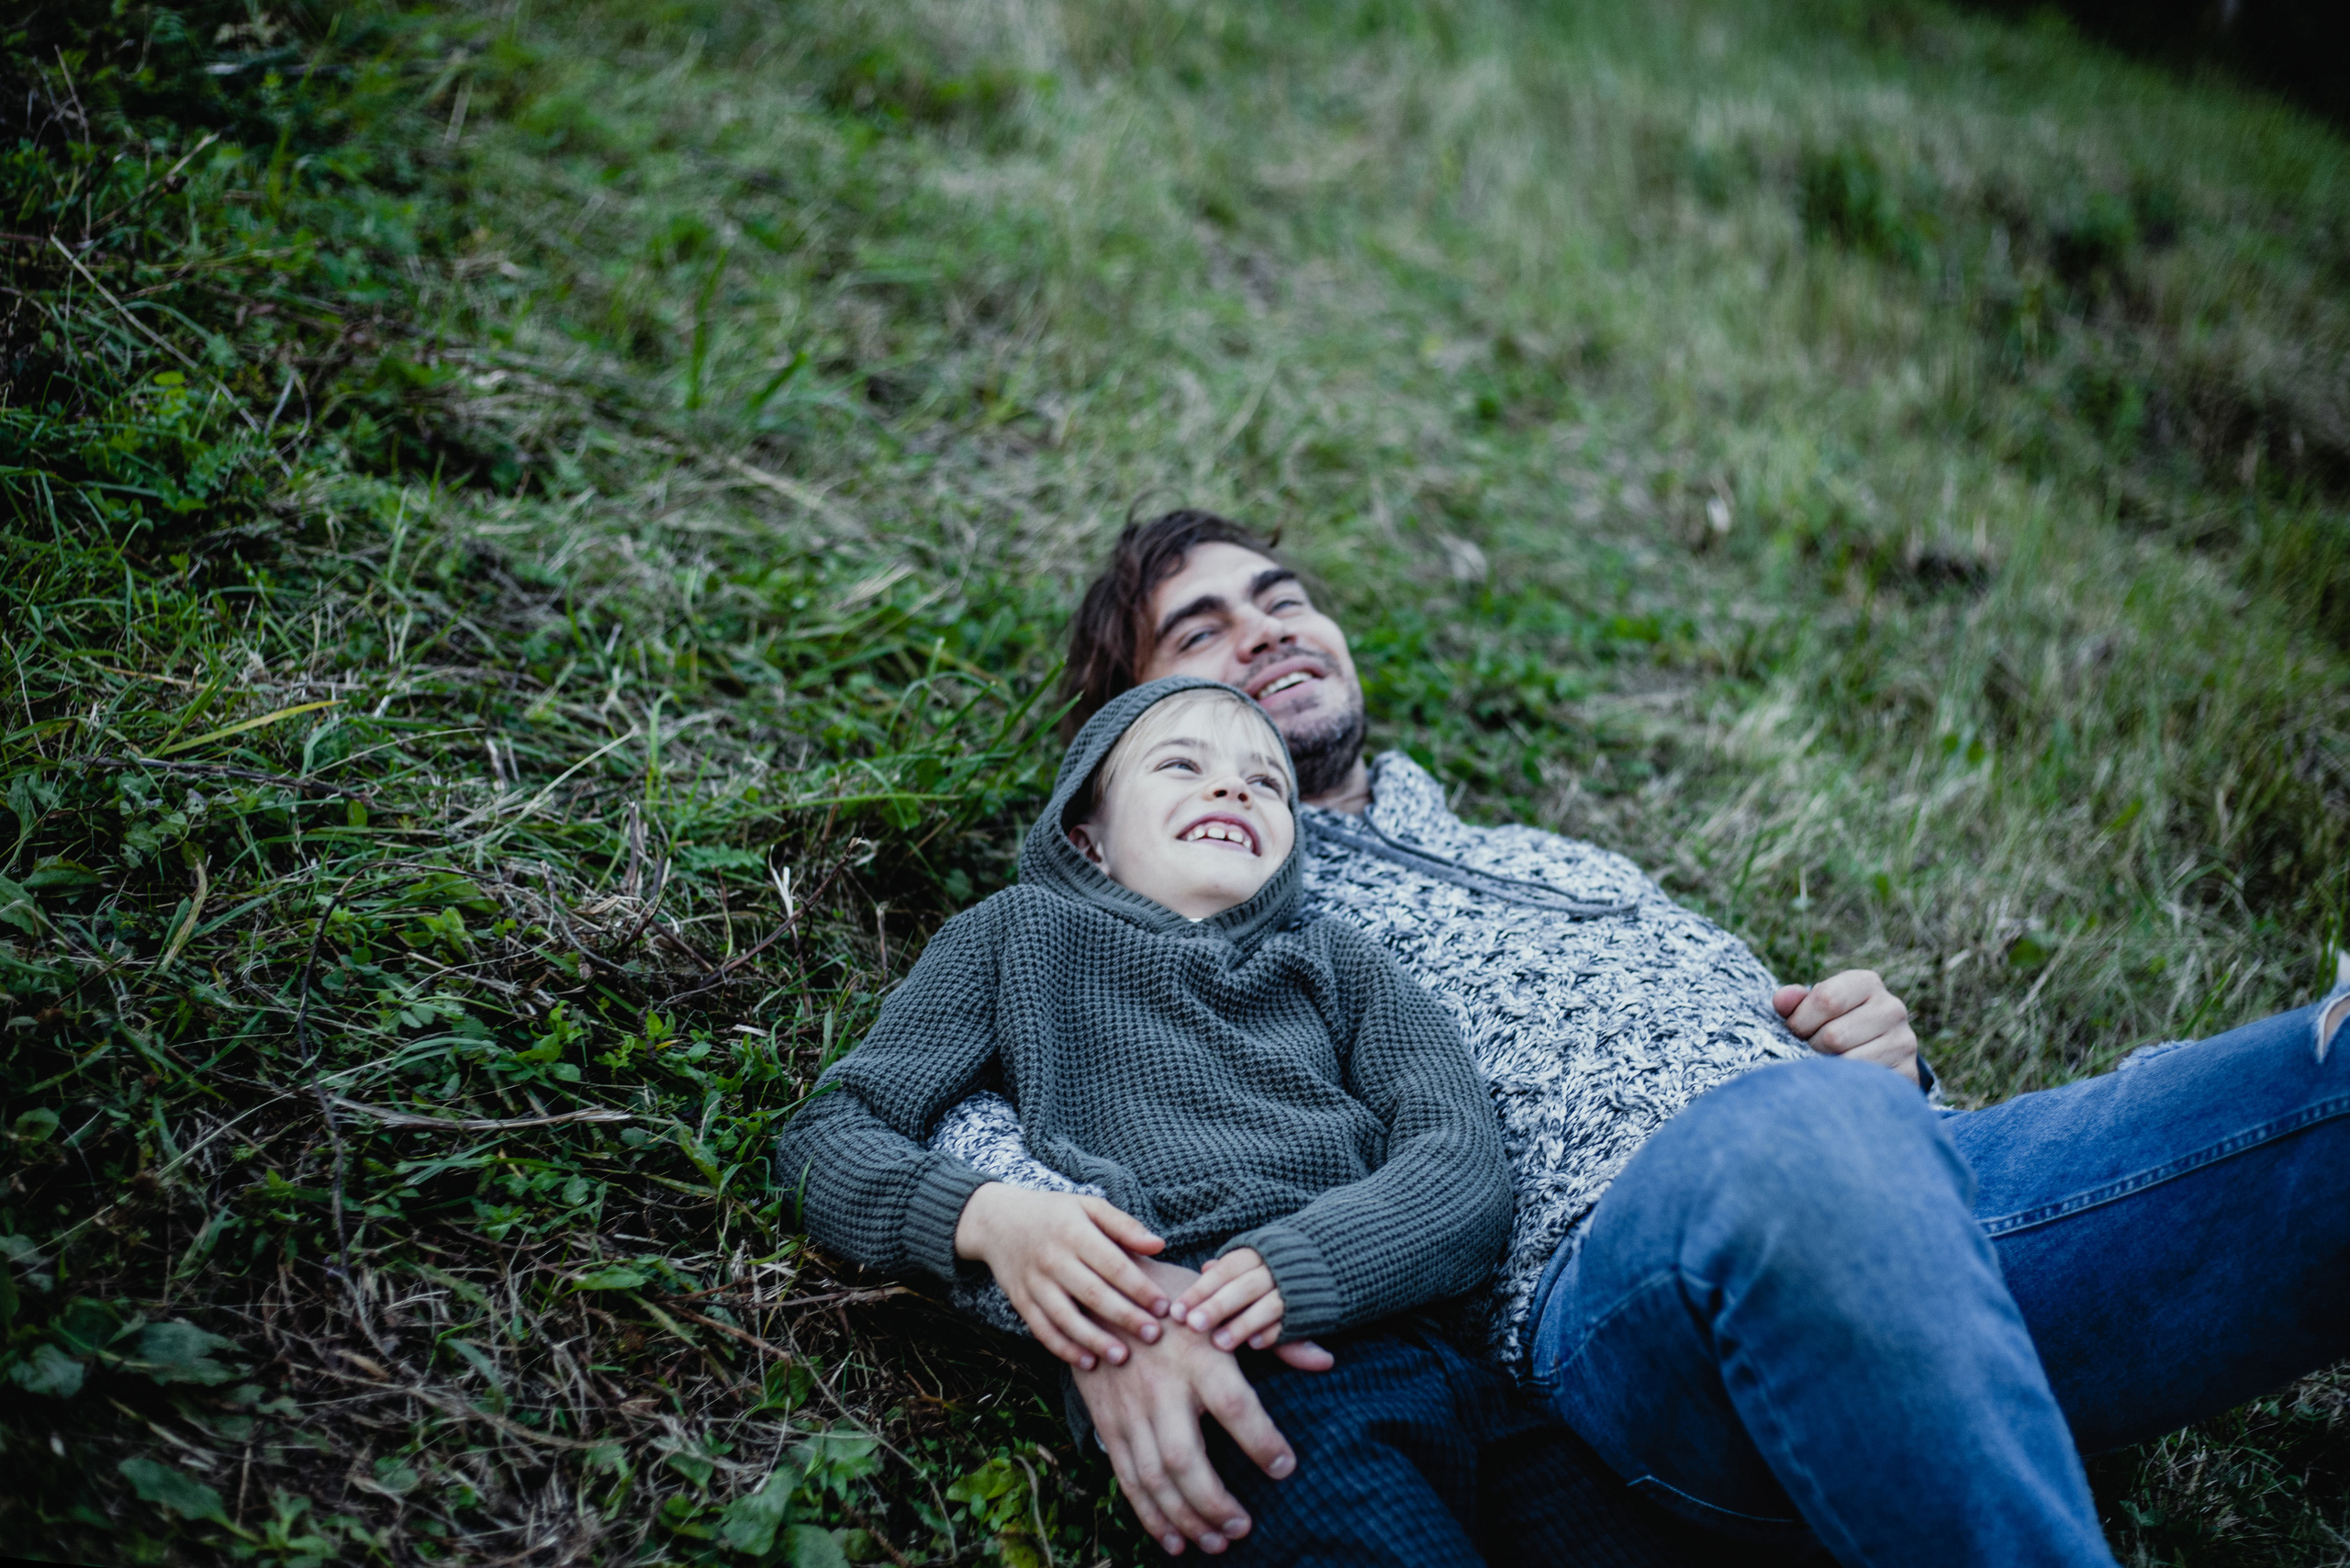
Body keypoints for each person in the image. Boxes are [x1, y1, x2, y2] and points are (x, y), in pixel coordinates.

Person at [932, 509, 2350, 1567]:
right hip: (1632, 1313)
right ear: (1126, 740)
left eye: (1282, 598)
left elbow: (1846, 1109)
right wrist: (1103, 1304)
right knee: (1795, 1142)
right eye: (1201, 635)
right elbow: (999, 1096)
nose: (1267, 632)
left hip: (1920, 1195)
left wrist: (1891, 1075)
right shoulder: (1197, 898)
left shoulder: (1551, 852)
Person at [777, 677, 1646, 1562]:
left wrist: (1317, 1258)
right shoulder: (1016, 935)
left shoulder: (1340, 960)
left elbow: (1460, 1158)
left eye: (1266, 783)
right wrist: (987, 1219)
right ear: (1088, 836)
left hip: (1452, 1361)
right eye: (1180, 765)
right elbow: (833, 1130)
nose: (1232, 789)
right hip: (1231, 1370)